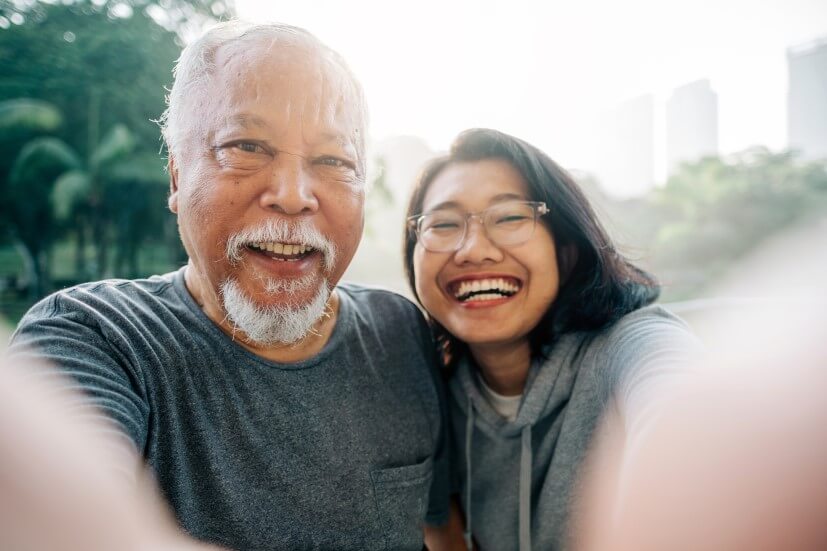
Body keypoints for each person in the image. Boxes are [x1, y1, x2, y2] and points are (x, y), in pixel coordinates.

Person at [7, 21, 449, 550]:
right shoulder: (95, 337)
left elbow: (441, 528)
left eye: (333, 160)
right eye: (245, 146)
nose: (292, 195)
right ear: (176, 178)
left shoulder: (401, 333)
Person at [403, 128, 700, 550]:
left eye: (508, 218)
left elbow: (683, 405)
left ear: (567, 249)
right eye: (444, 224)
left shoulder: (633, 346)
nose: (472, 250)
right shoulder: (426, 397)